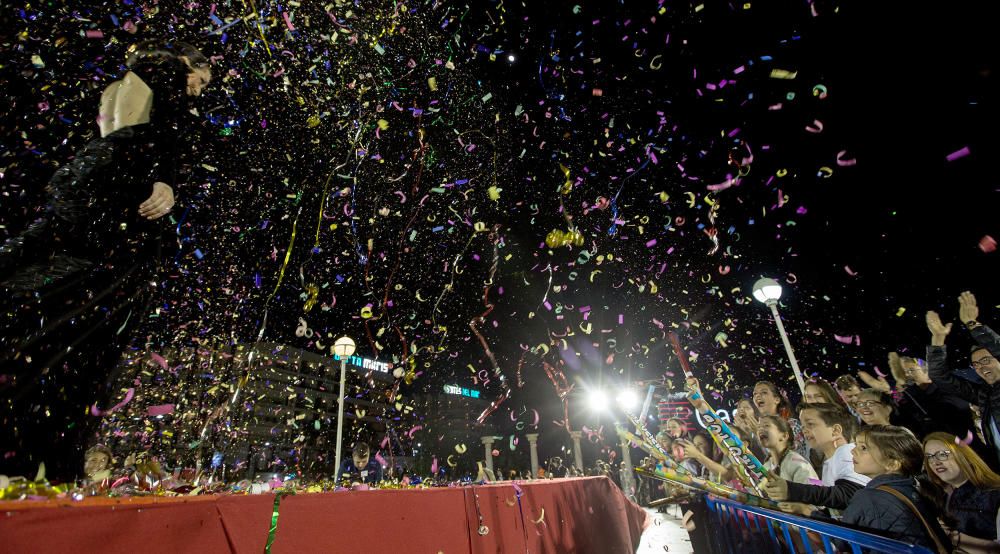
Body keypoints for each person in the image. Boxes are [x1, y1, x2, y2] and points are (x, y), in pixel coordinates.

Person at [0, 39, 213, 480]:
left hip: (87, 178)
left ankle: (31, 452)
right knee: (85, 339)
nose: (198, 90)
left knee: (44, 295)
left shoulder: (120, 85)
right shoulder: (167, 76)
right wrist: (166, 179)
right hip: (118, 190)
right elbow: (166, 132)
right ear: (186, 63)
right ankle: (45, 459)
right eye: (201, 78)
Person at [840, 425, 950, 552]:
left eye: (863, 448)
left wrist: (813, 514)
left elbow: (841, 542)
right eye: (856, 445)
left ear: (892, 464)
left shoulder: (869, 497)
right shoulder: (913, 489)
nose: (852, 451)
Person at [927, 293, 1000, 469]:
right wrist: (938, 339)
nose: (980, 367)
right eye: (975, 364)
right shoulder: (983, 394)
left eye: (985, 360)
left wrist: (973, 325)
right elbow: (941, 378)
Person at [761, 403, 869, 514]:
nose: (804, 430)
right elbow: (836, 509)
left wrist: (791, 489)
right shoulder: (830, 461)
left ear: (835, 430)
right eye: (803, 426)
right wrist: (808, 511)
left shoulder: (848, 452)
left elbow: (849, 496)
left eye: (810, 424)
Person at [923, 432, 1000, 552]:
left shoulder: (994, 493)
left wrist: (953, 537)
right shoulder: (941, 498)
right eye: (930, 457)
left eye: (942, 454)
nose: (935, 462)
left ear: (962, 455)